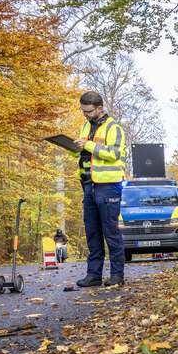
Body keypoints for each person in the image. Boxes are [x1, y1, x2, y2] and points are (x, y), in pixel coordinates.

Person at [67, 91, 128, 286]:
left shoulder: (114, 128)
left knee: (111, 232)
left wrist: (89, 145)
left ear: (99, 108)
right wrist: (72, 146)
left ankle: (117, 276)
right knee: (92, 231)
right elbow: (85, 151)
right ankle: (94, 275)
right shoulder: (85, 125)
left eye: (88, 111)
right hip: (88, 184)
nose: (85, 114)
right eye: (83, 111)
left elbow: (115, 153)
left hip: (108, 186)